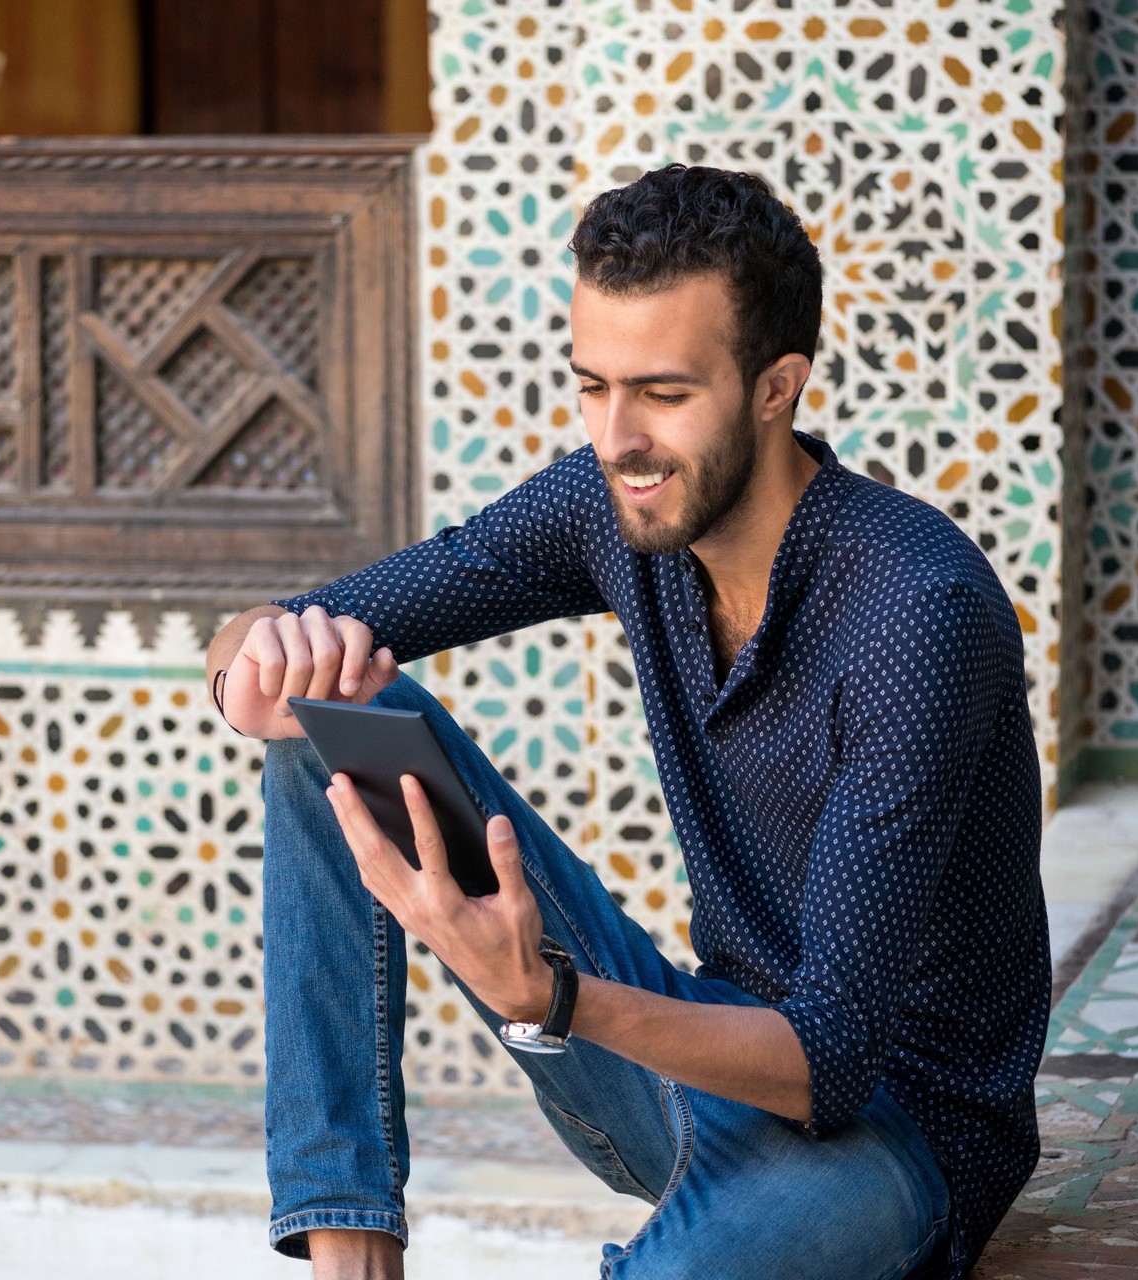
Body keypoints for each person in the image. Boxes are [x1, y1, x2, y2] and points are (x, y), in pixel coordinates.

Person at [204, 164, 1050, 1280]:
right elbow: (306, 625)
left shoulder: (915, 614)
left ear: (775, 386)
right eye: (591, 386)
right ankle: (352, 1261)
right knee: (329, 718)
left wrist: (551, 997)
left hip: (896, 1142)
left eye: (661, 391)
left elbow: (832, 1060)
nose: (616, 436)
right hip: (688, 1055)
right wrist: (253, 662)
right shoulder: (612, 502)